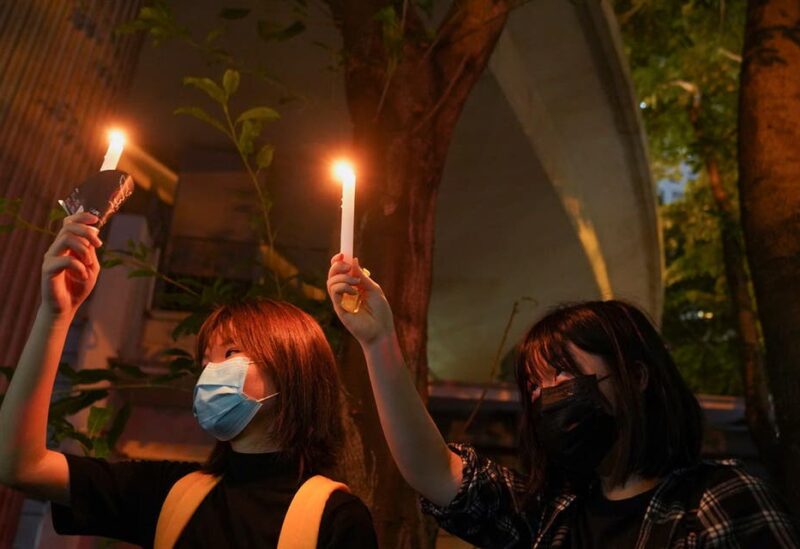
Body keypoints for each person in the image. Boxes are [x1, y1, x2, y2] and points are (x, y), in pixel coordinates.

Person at [327, 254, 799, 548]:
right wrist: (378, 340)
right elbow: (433, 470)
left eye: (564, 373)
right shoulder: (551, 515)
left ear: (635, 376)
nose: (547, 395)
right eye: (534, 385)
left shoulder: (718, 502)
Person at [0, 212, 378, 548]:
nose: (210, 374)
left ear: (295, 372)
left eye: (230, 354)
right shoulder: (168, 492)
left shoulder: (335, 518)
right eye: (205, 361)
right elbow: (20, 466)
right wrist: (56, 315)